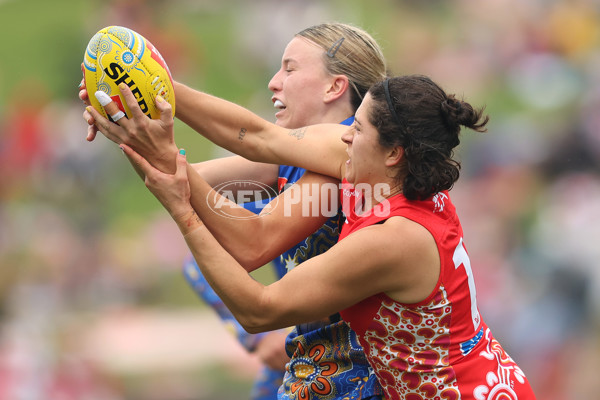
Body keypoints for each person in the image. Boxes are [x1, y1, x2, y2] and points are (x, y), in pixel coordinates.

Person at [92, 74, 537, 399]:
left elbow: (259, 309)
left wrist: (181, 209)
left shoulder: (395, 239)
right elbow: (259, 136)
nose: (344, 137)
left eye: (357, 129)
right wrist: (152, 87)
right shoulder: (376, 167)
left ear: (394, 152)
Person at [81, 22, 388, 399]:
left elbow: (250, 238)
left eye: (290, 69)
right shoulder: (293, 161)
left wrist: (158, 88)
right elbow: (178, 179)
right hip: (319, 365)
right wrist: (129, 119)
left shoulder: (351, 152)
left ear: (334, 86)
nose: (274, 82)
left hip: (356, 376)